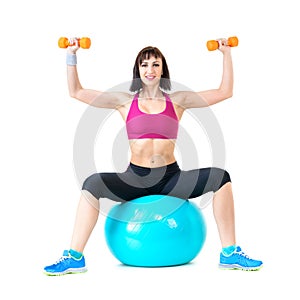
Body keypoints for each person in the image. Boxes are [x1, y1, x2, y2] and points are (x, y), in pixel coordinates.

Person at [44, 38, 263, 275]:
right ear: (138, 70)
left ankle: (230, 253)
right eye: (145, 65)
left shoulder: (178, 100)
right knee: (91, 184)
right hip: (134, 179)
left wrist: (226, 53)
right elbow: (76, 91)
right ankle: (74, 257)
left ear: (163, 69)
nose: (150, 70)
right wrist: (71, 55)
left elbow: (225, 91)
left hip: (171, 179)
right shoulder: (124, 101)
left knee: (221, 178)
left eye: (156, 64)